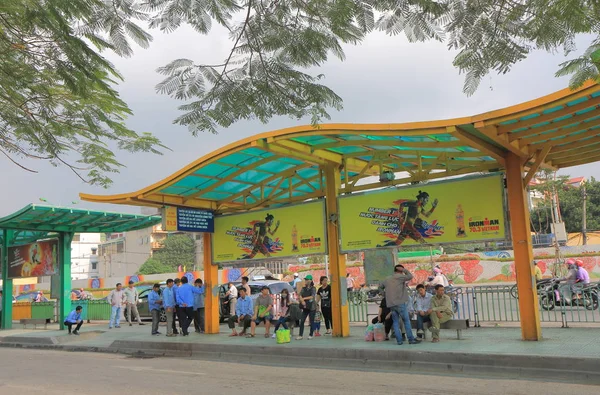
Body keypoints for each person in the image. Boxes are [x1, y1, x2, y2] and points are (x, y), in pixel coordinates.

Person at [380, 264, 420, 345]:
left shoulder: (387, 278)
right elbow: (410, 276)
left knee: (395, 322)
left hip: (391, 304)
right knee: (406, 321)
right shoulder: (399, 277)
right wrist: (404, 270)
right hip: (400, 303)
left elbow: (380, 287)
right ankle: (411, 339)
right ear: (400, 270)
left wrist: (385, 295)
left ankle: (399, 341)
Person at [297, 275, 317, 340]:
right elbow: (299, 295)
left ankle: (311, 334)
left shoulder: (313, 288)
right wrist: (302, 300)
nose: (306, 281)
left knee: (311, 321)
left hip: (312, 307)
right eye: (305, 280)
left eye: (307, 280)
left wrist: (304, 298)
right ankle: (300, 335)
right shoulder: (303, 288)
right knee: (302, 320)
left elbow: (312, 296)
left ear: (311, 280)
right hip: (305, 307)